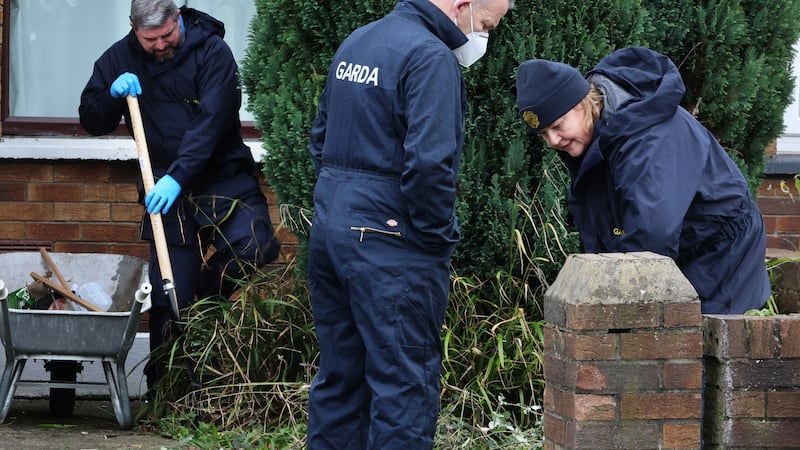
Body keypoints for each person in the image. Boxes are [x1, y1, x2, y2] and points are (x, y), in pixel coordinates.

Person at [306, 0, 512, 448]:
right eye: (490, 23)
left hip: (331, 231)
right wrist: (436, 240)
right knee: (404, 387)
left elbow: (320, 139)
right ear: (464, 6)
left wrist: (344, 205)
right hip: (391, 244)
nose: (485, 35)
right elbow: (430, 167)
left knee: (341, 379)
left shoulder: (358, 41)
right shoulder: (431, 58)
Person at [78, 0, 280, 390]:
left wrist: (179, 176)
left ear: (178, 19)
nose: (159, 45)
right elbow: (91, 118)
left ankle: (206, 300)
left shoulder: (212, 51)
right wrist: (111, 96)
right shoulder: (121, 55)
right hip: (163, 188)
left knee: (258, 243)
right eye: (150, 39)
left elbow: (213, 122)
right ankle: (168, 393)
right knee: (172, 293)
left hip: (220, 175)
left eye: (166, 35)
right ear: (135, 28)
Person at [515, 46, 770, 314]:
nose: (553, 141)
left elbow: (651, 238)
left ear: (583, 104)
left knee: (702, 346)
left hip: (721, 259)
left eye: (558, 126)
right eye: (544, 134)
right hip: (683, 255)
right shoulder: (598, 141)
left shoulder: (648, 139)